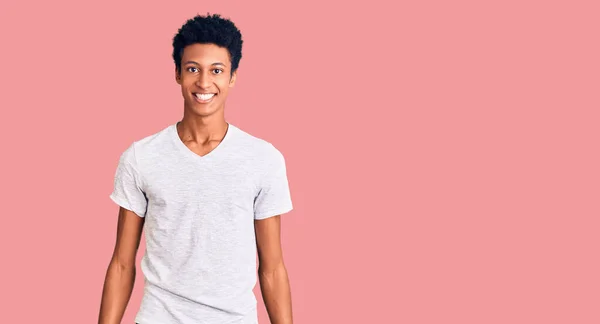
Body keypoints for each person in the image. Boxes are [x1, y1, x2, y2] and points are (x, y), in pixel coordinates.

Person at [98, 13, 295, 324]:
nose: (204, 82)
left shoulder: (264, 159)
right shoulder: (141, 157)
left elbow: (272, 268)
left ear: (232, 77)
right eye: (193, 69)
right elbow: (122, 264)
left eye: (217, 70)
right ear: (177, 73)